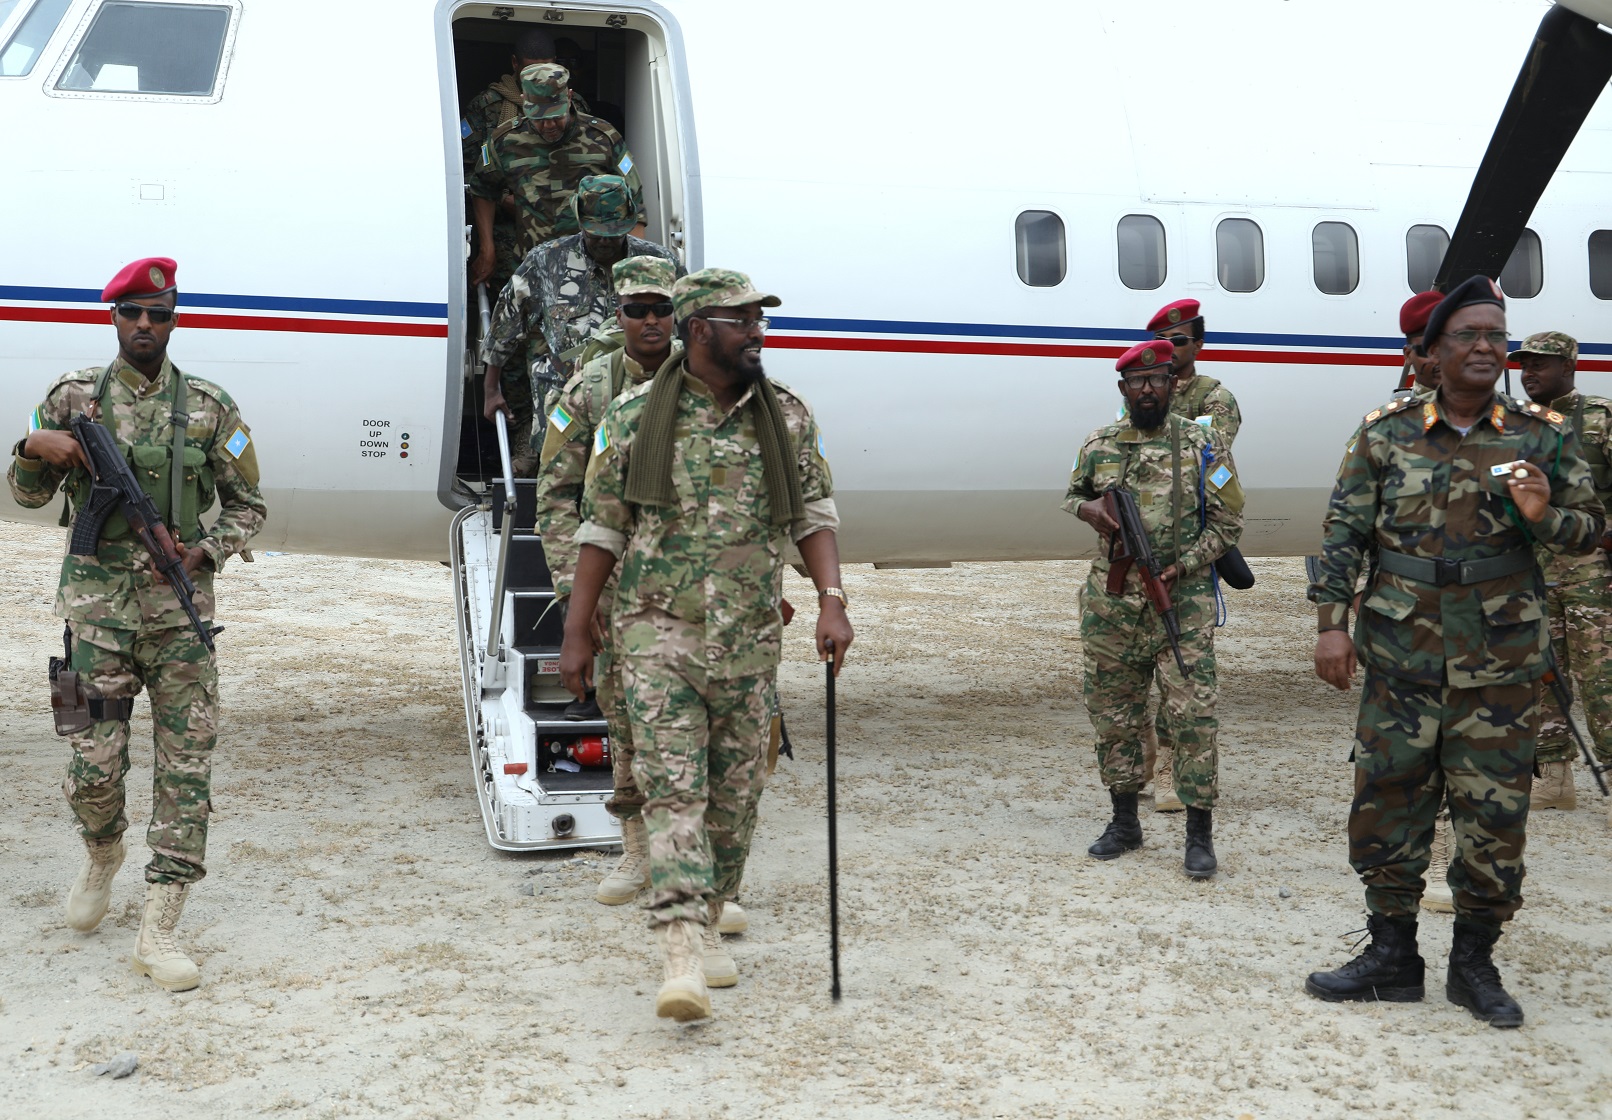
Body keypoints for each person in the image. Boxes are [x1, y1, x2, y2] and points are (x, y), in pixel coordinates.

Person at [1305, 276, 1603, 1029]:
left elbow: (1590, 529)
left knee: (1493, 817)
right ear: (1432, 352)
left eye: (1495, 335)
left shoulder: (1540, 434)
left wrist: (1543, 515)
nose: (1485, 347)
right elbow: (1343, 533)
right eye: (1468, 335)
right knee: (1387, 802)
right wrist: (1331, 626)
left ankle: (1474, 963)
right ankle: (1392, 955)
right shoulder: (1385, 432)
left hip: (1500, 660)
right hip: (1401, 653)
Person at [558, 268, 852, 1022]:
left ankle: (712, 911)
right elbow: (601, 527)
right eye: (740, 320)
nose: (757, 333)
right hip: (656, 639)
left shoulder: (786, 416)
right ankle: (682, 954)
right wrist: (576, 629)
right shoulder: (631, 416)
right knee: (674, 794)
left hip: (749, 642)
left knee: (734, 800)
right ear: (698, 330)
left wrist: (832, 601)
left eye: (760, 320)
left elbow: (812, 515)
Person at [6, 257, 266, 992]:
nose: (144, 325)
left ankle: (161, 925)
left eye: (158, 313)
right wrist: (32, 448)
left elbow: (250, 508)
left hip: (181, 623)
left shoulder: (210, 407)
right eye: (132, 313)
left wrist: (204, 550)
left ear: (175, 319)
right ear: (114, 318)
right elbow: (26, 496)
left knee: (187, 771)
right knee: (92, 767)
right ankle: (102, 851)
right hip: (96, 619)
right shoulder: (71, 397)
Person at [1064, 340, 1245, 878]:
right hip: (1112, 607)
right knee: (1114, 715)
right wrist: (1088, 510)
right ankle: (1124, 822)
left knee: (1193, 717)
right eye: (1137, 382)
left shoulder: (1203, 444)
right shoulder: (1099, 443)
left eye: (1158, 380)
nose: (1148, 389)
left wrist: (1182, 565)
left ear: (1172, 384)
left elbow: (1229, 523)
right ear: (1123, 389)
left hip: (1181, 605)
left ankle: (1198, 836)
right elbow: (1072, 494)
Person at [531, 255, 680, 906]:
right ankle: (637, 851)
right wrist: (576, 592)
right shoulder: (590, 390)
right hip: (615, 584)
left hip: (691, 583)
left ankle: (696, 859)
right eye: (636, 309)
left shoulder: (703, 381)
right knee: (623, 717)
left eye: (661, 309)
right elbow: (555, 495)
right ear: (617, 314)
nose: (650, 321)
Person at [482, 174, 680, 471]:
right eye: (596, 233)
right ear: (579, 221)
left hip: (639, 402)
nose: (605, 241)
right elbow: (506, 324)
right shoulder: (546, 260)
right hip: (565, 403)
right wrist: (491, 389)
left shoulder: (659, 262)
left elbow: (688, 326)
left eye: (613, 233)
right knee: (560, 484)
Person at [461, 27, 593, 449]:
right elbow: (472, 177)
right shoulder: (489, 110)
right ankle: (523, 433)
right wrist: (489, 241)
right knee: (513, 340)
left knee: (569, 342)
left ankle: (563, 435)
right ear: (515, 66)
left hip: (571, 251)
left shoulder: (584, 117)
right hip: (512, 243)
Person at [1140, 298, 1243, 811]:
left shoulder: (1215, 398)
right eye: (1161, 342)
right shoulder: (1143, 389)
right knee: (1138, 664)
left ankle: (1171, 766)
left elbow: (1207, 451)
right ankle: (1143, 754)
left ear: (1198, 344)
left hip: (1191, 547)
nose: (1169, 350)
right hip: (1147, 543)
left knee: (1185, 670)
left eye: (1178, 341)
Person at [1515, 330, 1612, 814]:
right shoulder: (1515, 425)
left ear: (1569, 367)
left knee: (1602, 676)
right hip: (1536, 570)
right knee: (1542, 674)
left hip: (1594, 570)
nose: (1528, 372)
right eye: (1524, 364)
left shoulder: (1598, 417)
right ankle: (1554, 778)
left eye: (1540, 364)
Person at [467, 63, 643, 289]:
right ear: (524, 101)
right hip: (533, 270)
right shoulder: (505, 141)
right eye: (539, 118)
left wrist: (632, 268)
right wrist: (487, 249)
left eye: (556, 116)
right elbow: (483, 189)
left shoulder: (604, 138)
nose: (549, 125)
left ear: (569, 97)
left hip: (594, 271)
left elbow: (635, 200)